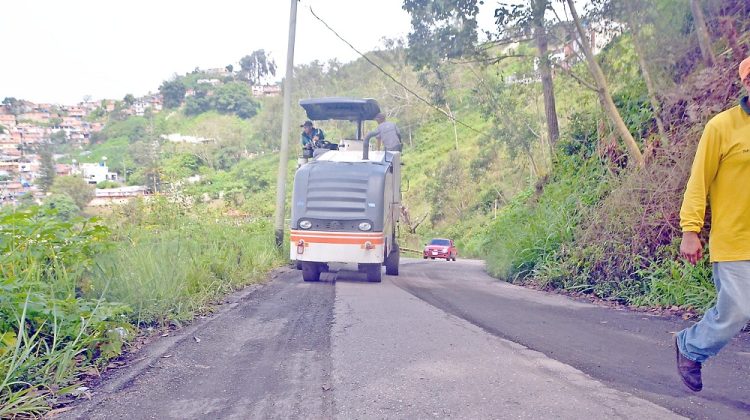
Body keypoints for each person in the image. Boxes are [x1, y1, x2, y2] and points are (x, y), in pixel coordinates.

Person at [674, 56, 750, 392]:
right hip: (735, 242)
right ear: (746, 83)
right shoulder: (721, 127)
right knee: (736, 312)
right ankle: (690, 347)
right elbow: (699, 181)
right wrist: (690, 229)